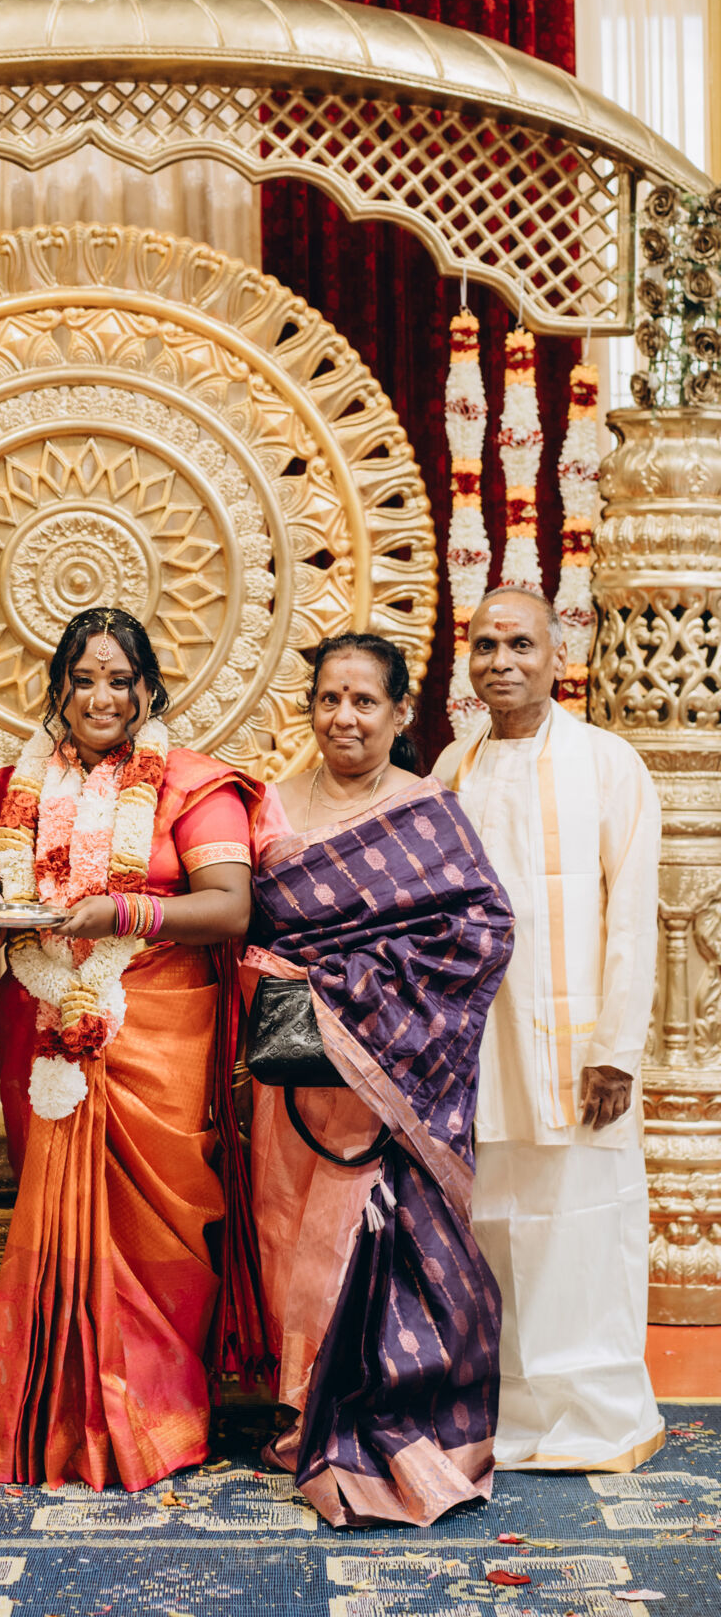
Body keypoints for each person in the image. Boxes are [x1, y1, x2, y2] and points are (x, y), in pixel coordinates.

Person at [0, 606, 265, 1492]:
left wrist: (122, 911)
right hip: (44, 1026)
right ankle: (53, 1416)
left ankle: (154, 1421)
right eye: (83, 679)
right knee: (56, 1221)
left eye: (120, 680)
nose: (101, 697)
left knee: (158, 1230)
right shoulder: (19, 786)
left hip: (158, 1033)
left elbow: (230, 907)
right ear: (57, 689)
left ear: (149, 689)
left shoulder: (193, 785)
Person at [242, 632, 514, 1527]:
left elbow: (482, 931)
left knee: (363, 1241)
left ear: (400, 713)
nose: (344, 717)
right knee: (292, 1239)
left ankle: (380, 1421)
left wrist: (350, 985)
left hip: (400, 1081)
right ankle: (303, 1408)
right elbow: (252, 930)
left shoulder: (430, 812)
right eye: (329, 699)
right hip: (296, 1076)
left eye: (365, 700)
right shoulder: (271, 806)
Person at [436, 586, 664, 1472]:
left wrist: (616, 1052)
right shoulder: (455, 765)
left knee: (579, 1224)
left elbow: (634, 912)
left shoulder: (608, 763)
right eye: (486, 645)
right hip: (478, 1047)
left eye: (521, 644)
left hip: (576, 1048)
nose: (502, 661)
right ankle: (506, 1414)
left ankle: (594, 1419)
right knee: (494, 1223)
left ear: (557, 656)